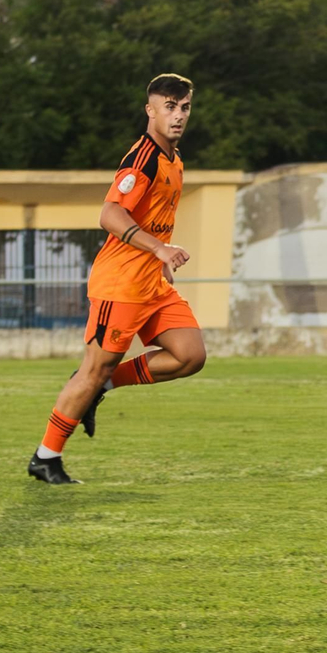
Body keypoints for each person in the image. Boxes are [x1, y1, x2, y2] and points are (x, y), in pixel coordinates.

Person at [26, 74, 208, 485]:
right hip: (121, 285)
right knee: (89, 371)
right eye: (169, 106)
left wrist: (160, 259)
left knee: (190, 355)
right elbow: (110, 214)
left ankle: (102, 385)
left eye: (185, 107)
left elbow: (153, 221)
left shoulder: (174, 160)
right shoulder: (141, 158)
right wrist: (159, 249)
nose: (178, 115)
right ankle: (46, 457)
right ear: (150, 110)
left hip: (152, 284)